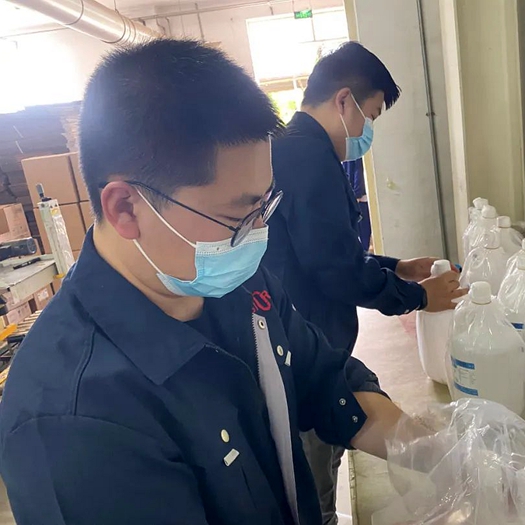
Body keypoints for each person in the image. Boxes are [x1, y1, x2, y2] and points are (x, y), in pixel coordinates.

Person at [0, 39, 418, 525]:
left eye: (264, 205)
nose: (258, 233)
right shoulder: (74, 420)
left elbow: (325, 379)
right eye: (237, 215)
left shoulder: (238, 286)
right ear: (125, 208)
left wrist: (434, 449)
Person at [263, 42, 466, 525]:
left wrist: (397, 267)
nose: (365, 130)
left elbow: (326, 248)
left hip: (309, 334)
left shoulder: (297, 150)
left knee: (327, 450)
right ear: (344, 100)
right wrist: (418, 296)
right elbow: (335, 270)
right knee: (313, 472)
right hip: (305, 346)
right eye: (370, 115)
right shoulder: (310, 158)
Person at [342, 158, 371, 251]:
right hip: (354, 197)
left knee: (363, 235)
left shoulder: (354, 155)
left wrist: (356, 194)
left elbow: (359, 171)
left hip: (359, 200)